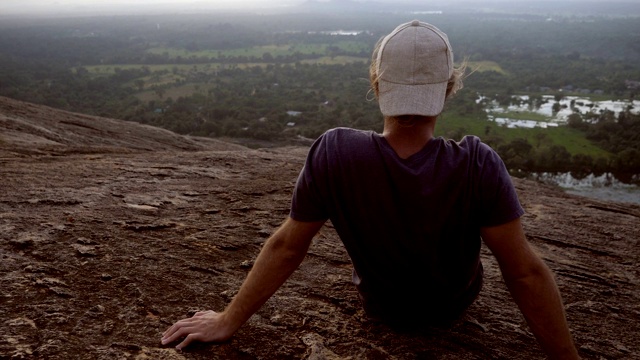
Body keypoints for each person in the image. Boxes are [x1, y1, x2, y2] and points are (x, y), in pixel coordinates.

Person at [161, 20, 580, 359]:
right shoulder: (476, 163)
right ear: (448, 89)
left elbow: (288, 245)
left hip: (383, 309)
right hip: (454, 306)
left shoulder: (336, 152)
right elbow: (523, 271)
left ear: (377, 83)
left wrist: (229, 319)